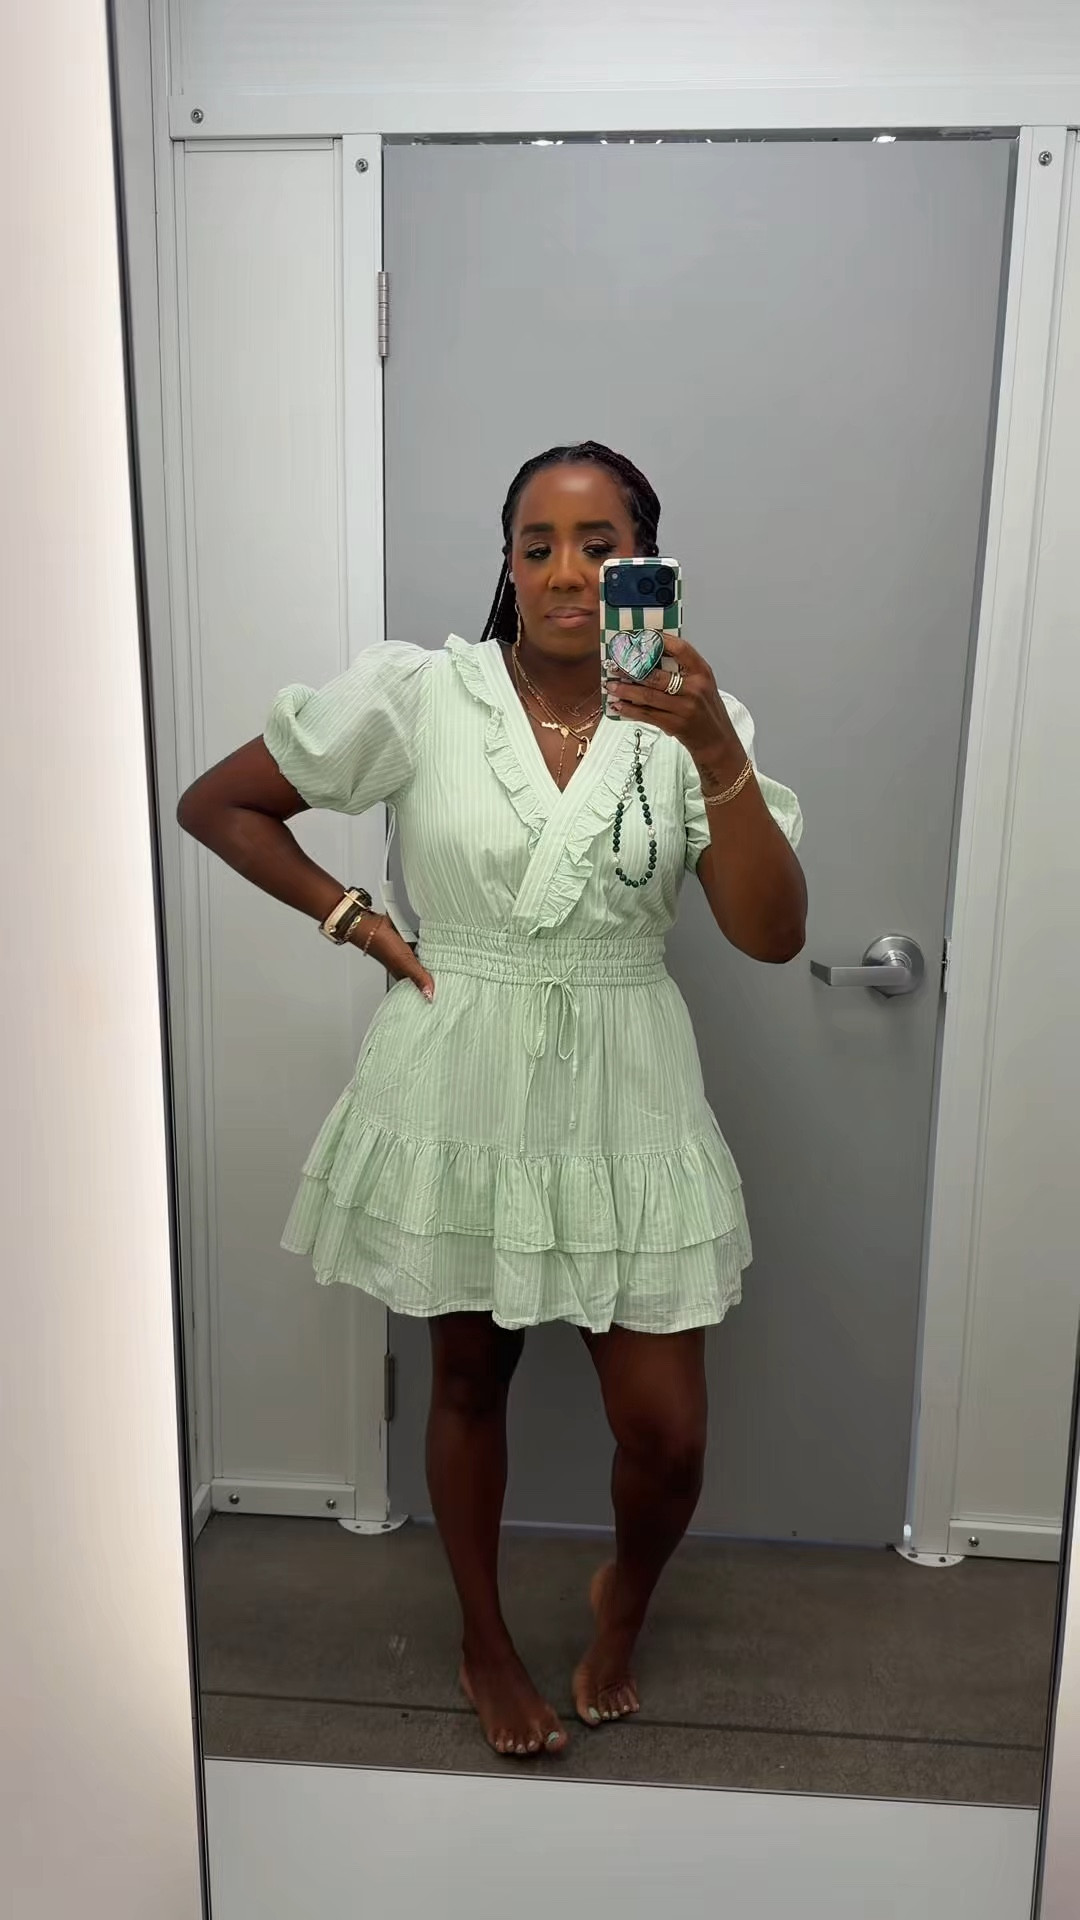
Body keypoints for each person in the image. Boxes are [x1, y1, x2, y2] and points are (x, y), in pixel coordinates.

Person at [178, 440, 806, 1760]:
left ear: (646, 567)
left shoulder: (699, 722)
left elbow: (769, 934)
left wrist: (710, 749)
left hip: (629, 1083)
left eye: (600, 545)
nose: (568, 571)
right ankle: (484, 1643)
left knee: (667, 1434)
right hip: (459, 1073)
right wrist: (357, 918)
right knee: (468, 1378)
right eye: (539, 545)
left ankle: (623, 1601)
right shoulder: (424, 697)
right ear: (509, 567)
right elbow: (220, 804)